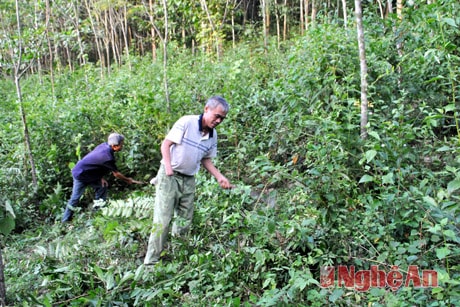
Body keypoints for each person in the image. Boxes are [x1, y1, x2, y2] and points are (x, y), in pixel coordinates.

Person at [144, 96, 233, 265]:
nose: (218, 120)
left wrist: (220, 177)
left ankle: (179, 258)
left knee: (184, 221)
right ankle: (151, 262)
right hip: (170, 176)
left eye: (222, 118)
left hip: (189, 179)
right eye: (216, 116)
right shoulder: (187, 122)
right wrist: (168, 168)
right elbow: (166, 144)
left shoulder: (213, 136)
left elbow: (206, 160)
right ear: (206, 109)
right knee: (163, 220)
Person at [61, 133, 138, 222]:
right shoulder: (107, 157)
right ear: (114, 146)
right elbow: (116, 174)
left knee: (102, 186)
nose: (122, 146)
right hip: (80, 174)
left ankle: (98, 212)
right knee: (75, 198)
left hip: (90, 173)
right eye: (121, 144)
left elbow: (95, 162)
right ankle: (65, 220)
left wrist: (100, 177)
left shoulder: (104, 146)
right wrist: (128, 180)